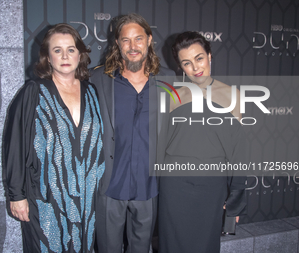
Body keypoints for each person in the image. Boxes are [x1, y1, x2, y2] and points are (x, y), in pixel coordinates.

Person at [3, 23, 104, 253]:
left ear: (80, 54)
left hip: (87, 200)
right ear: (48, 57)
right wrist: (16, 195)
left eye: (71, 49)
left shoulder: (92, 92)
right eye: (57, 50)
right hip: (45, 198)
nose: (65, 56)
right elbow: (15, 145)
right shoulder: (33, 92)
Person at [89, 13, 175, 253]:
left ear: (149, 40)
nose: (132, 46)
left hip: (149, 185)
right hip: (109, 184)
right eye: (125, 40)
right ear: (117, 43)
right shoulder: (97, 79)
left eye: (138, 38)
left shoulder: (170, 80)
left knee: (142, 248)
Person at [158, 31, 247, 253]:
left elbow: (239, 152)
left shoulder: (232, 96)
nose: (195, 67)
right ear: (180, 67)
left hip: (211, 186)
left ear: (209, 55)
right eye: (186, 63)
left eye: (199, 58)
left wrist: (235, 201)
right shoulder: (172, 96)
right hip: (174, 185)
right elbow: (159, 146)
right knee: (172, 245)